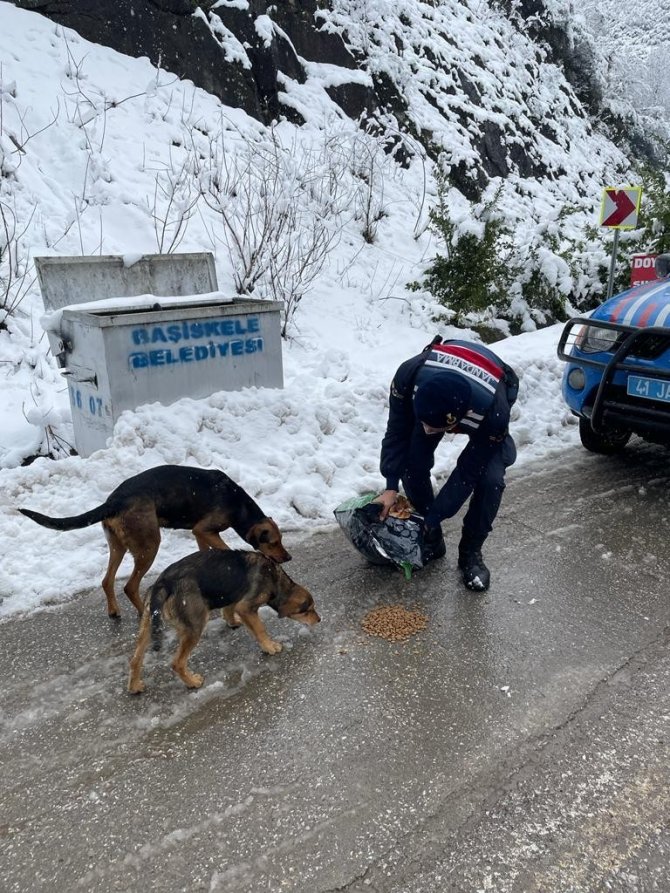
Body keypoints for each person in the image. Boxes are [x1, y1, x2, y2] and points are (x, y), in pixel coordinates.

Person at [376, 336, 519, 591]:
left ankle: (471, 553)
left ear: (457, 422)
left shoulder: (493, 413)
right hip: (440, 389)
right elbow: (397, 431)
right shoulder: (408, 376)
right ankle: (432, 539)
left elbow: (467, 472)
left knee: (490, 481)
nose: (426, 429)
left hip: (490, 390)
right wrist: (390, 485)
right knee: (412, 461)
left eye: (436, 428)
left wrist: (436, 514)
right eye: (423, 422)